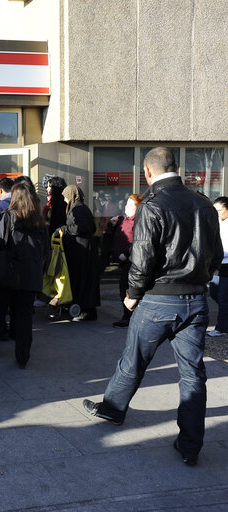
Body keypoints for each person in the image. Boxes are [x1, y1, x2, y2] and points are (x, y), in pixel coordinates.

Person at [83, 147, 222, 467]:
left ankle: (113, 409)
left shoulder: (153, 204)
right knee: (193, 375)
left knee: (133, 360)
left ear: (148, 172)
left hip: (160, 298)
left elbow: (142, 257)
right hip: (196, 301)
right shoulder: (204, 204)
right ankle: (190, 445)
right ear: (177, 167)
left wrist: (132, 292)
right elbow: (215, 254)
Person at [0, 183, 49, 368]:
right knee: (24, 318)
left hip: (6, 275)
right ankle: (23, 357)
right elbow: (45, 250)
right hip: (30, 277)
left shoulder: (8, 216)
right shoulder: (40, 222)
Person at [55, 185, 101, 321]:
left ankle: (84, 310)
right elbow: (91, 227)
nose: (64, 200)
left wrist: (64, 228)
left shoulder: (78, 209)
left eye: (65, 197)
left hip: (81, 251)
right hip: (86, 249)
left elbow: (81, 227)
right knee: (86, 280)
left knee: (81, 280)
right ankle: (87, 309)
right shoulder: (83, 207)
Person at [107, 193, 143, 327]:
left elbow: (138, 241)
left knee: (128, 288)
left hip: (132, 261)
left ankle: (130, 317)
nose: (126, 207)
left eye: (130, 205)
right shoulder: (123, 219)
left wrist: (127, 253)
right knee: (123, 288)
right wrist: (113, 224)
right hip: (122, 260)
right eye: (126, 204)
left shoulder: (139, 221)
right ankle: (127, 316)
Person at [207, 196, 228, 337]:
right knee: (214, 292)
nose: (217, 213)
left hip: (227, 265)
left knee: (222, 297)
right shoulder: (215, 223)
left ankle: (222, 328)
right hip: (216, 264)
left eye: (219, 210)